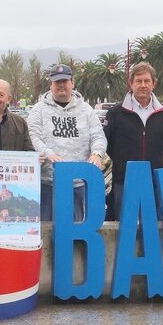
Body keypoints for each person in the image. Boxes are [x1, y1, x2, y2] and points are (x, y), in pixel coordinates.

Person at [27, 64, 107, 221]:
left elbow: (98, 136)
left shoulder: (86, 110)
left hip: (79, 183)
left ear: (72, 83)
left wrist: (97, 154)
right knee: (46, 230)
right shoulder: (38, 110)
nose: (61, 85)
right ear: (51, 85)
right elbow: (33, 137)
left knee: (78, 228)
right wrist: (48, 153)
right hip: (48, 183)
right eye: (57, 82)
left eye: (65, 81)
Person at [103, 62, 163, 215]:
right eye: (138, 81)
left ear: (154, 83)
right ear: (131, 83)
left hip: (154, 180)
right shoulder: (116, 112)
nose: (143, 85)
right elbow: (109, 144)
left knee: (153, 228)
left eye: (147, 81)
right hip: (123, 181)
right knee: (123, 229)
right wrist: (122, 162)